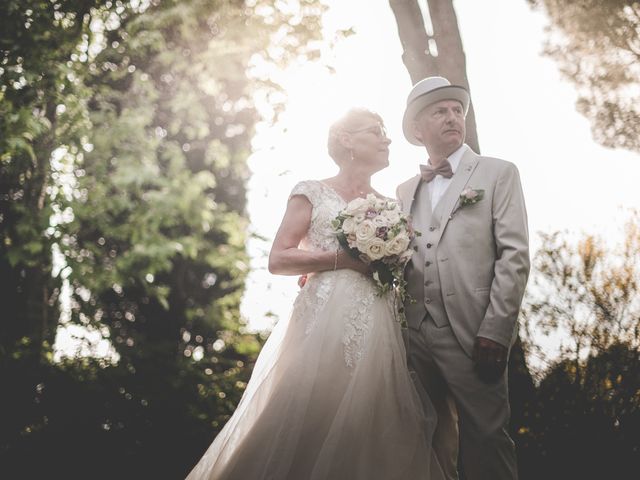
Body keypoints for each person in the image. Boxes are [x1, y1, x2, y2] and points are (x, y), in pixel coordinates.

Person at [186, 108, 444, 480]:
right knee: (305, 418)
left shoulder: (391, 207)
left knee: (371, 425)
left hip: (380, 326)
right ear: (347, 140)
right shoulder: (312, 192)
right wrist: (337, 259)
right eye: (377, 132)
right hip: (321, 324)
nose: (387, 140)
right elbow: (279, 258)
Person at [396, 76, 530, 480]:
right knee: (425, 440)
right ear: (419, 130)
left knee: (488, 438)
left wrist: (497, 329)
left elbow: (515, 255)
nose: (453, 117)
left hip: (475, 331)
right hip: (413, 334)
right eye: (440, 111)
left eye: (457, 110)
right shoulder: (404, 190)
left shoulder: (498, 173)